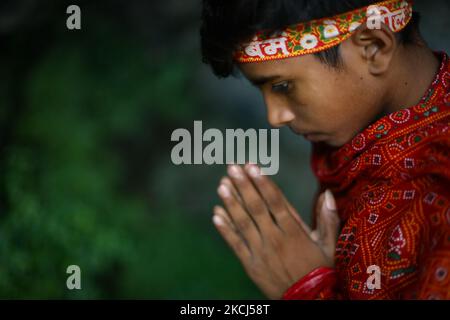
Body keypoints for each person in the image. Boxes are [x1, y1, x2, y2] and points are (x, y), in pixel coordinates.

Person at [200, 0, 450, 299]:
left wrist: (308, 288)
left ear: (373, 47)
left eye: (282, 86)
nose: (275, 117)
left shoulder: (437, 199)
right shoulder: (356, 146)